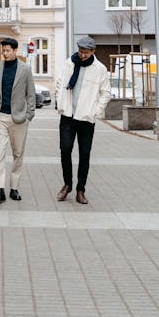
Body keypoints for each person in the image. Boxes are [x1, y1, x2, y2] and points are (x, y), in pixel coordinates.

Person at [55, 35, 110, 205]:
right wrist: (59, 101)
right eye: (81, 51)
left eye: (86, 52)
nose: (82, 55)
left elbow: (106, 93)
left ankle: (81, 189)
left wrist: (95, 111)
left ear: (93, 52)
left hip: (86, 118)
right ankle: (67, 184)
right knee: (65, 150)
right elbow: (59, 83)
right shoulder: (69, 63)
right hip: (68, 115)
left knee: (84, 154)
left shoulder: (99, 69)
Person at [0, 37, 36, 203]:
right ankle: (0, 189)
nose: (5, 54)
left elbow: (30, 94)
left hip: (19, 119)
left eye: (8, 51)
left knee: (18, 154)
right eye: (3, 51)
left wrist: (29, 115)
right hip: (0, 116)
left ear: (15, 51)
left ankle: (14, 188)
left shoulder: (25, 69)